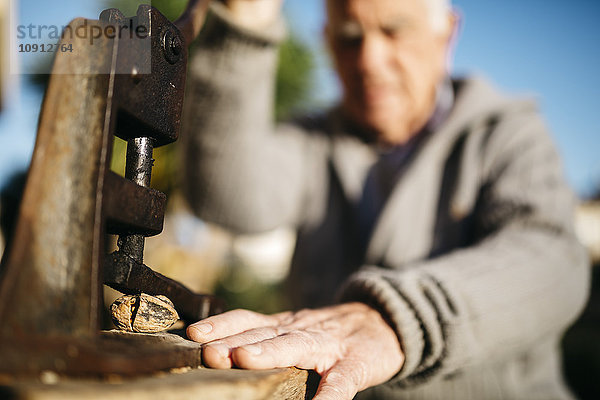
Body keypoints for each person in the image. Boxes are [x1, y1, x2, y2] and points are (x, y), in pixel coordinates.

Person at [180, 0, 590, 398]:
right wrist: (246, 24)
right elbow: (228, 199)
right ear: (326, 39)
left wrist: (397, 319)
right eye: (348, 37)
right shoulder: (312, 140)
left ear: (447, 32)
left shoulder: (507, 133)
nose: (369, 61)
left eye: (395, 30)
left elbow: (551, 256)